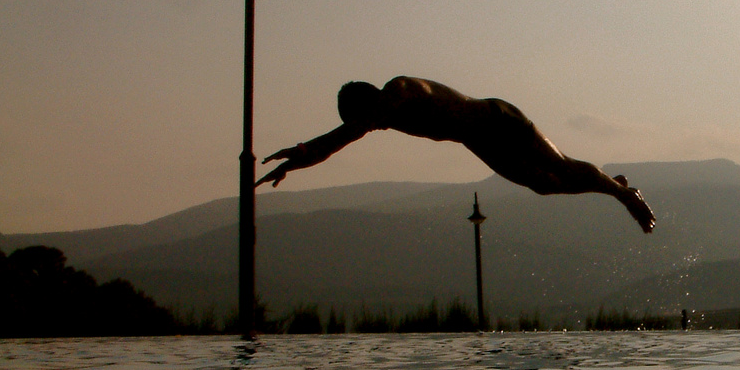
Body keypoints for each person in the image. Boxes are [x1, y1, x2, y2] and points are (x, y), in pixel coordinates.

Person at [257, 76, 655, 233]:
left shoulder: (400, 91)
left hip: (499, 119)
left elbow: (341, 136)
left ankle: (624, 195)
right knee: (544, 186)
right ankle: (611, 186)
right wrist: (301, 156)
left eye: (368, 120)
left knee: (560, 166)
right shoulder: (382, 115)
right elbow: (340, 139)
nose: (373, 128)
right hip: (479, 140)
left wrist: (304, 152)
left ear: (371, 101)